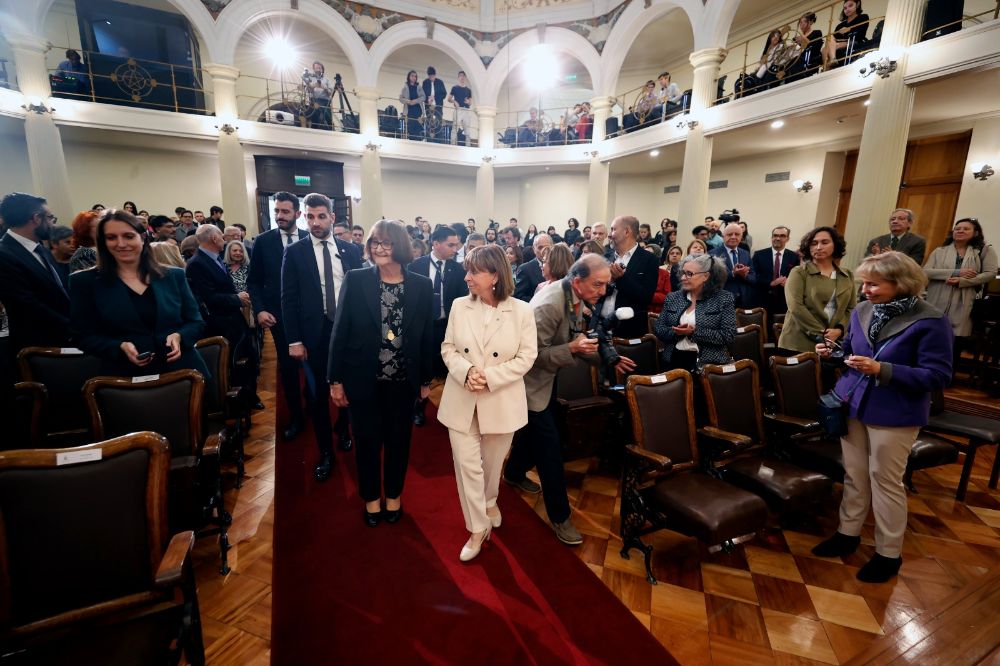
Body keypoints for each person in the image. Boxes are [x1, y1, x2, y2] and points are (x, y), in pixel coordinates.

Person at [813, 252, 953, 583]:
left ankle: (889, 554)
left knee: (885, 481)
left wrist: (882, 369)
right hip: (853, 404)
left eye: (873, 285)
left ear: (901, 283)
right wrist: (834, 354)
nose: (865, 291)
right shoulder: (863, 310)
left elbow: (938, 376)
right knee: (854, 474)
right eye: (864, 283)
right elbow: (852, 351)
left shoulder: (931, 320)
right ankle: (847, 534)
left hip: (895, 411)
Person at [506, 255, 635, 545]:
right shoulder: (549, 304)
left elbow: (580, 338)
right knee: (550, 450)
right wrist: (572, 348)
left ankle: (513, 473)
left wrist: (609, 359)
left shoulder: (574, 294)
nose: (603, 291)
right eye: (598, 284)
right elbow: (529, 357)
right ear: (577, 281)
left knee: (534, 435)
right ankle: (561, 517)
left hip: (546, 381)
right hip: (528, 386)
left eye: (606, 284)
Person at [329, 220, 434, 526]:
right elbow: (339, 331)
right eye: (375, 242)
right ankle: (371, 498)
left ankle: (394, 496)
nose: (379, 248)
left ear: (400, 246)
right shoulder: (356, 279)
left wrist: (425, 379)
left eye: (386, 243)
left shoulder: (421, 285)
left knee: (399, 442)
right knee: (367, 442)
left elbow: (426, 336)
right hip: (363, 378)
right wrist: (335, 379)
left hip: (403, 381)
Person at [438, 245, 538, 561]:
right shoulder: (459, 306)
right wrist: (466, 372)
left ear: (495, 276)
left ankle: (490, 500)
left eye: (474, 271)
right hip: (462, 398)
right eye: (466, 270)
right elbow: (448, 347)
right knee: (467, 466)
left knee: (492, 467)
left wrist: (490, 377)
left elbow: (527, 356)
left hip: (500, 400)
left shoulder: (522, 311)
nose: (466, 277)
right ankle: (477, 528)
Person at [282, 193, 363, 481]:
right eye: (310, 216)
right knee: (317, 396)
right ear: (304, 217)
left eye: (321, 216)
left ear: (332, 217)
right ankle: (326, 451)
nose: (315, 222)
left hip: (348, 333)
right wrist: (294, 340)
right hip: (314, 334)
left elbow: (360, 293)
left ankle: (343, 429)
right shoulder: (295, 252)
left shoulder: (351, 251)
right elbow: (288, 298)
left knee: (349, 388)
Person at [69, 209, 208, 377]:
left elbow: (196, 322)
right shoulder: (84, 281)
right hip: (125, 377)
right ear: (102, 242)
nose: (121, 244)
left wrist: (180, 336)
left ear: (142, 238)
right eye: (111, 238)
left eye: (128, 236)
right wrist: (118, 346)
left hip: (183, 372)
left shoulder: (173, 275)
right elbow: (82, 336)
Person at [247, 191, 310, 440]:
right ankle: (296, 416)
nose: (280, 216)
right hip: (278, 317)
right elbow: (254, 281)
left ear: (297, 213)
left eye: (285, 211)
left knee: (314, 365)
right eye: (277, 211)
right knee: (289, 368)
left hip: (309, 316)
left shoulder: (308, 238)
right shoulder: (263, 242)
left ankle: (314, 406)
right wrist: (260, 309)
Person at [408, 225, 468, 425]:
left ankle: (446, 407)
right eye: (450, 245)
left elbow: (462, 301)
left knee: (445, 368)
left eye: (456, 245)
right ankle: (418, 406)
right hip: (422, 327)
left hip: (446, 326)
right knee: (422, 367)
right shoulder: (415, 266)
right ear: (435, 243)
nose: (455, 249)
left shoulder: (458, 270)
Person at [0, 192, 71, 355]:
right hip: (40, 346)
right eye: (50, 218)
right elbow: (27, 305)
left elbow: (58, 290)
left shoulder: (40, 248)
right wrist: (72, 326)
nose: (53, 224)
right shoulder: (4, 254)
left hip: (64, 335)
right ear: (36, 218)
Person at [778, 227, 856, 355]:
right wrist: (822, 334)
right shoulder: (799, 272)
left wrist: (840, 330)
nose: (818, 247)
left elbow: (851, 308)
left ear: (835, 245)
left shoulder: (847, 275)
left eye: (825, 242)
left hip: (833, 342)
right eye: (814, 243)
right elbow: (796, 307)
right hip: (799, 342)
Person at [654, 254, 736, 372]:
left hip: (709, 365)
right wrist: (676, 332)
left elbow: (728, 335)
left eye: (689, 274)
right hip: (673, 360)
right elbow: (659, 328)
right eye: (683, 273)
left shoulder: (723, 298)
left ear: (705, 276)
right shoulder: (673, 297)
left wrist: (693, 332)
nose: (683, 278)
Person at [923, 218, 998, 340]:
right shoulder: (939, 251)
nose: (960, 231)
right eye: (957, 229)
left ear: (976, 233)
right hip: (937, 299)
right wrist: (957, 272)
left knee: (955, 340)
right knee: (931, 337)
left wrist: (962, 281)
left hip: (965, 301)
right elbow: (926, 272)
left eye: (966, 229)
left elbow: (990, 273)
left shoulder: (985, 250)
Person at [185, 224, 249, 346]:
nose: (224, 239)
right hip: (221, 324)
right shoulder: (197, 263)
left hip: (233, 319)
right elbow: (208, 298)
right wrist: (237, 298)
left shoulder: (215, 257)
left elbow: (224, 286)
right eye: (221, 236)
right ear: (214, 238)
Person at [605, 216, 661, 337]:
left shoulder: (649, 260)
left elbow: (646, 297)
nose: (609, 234)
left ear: (626, 232)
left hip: (629, 330)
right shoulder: (605, 257)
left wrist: (620, 279)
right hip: (601, 327)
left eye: (613, 229)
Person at [752, 225, 800, 315]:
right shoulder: (759, 255)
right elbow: (753, 276)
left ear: (788, 239)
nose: (778, 238)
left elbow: (797, 278)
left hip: (784, 300)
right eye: (775, 235)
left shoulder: (794, 256)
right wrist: (771, 283)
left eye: (782, 236)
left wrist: (789, 282)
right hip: (762, 299)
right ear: (771, 237)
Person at [710, 222, 757, 307]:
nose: (733, 237)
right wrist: (732, 273)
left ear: (741, 237)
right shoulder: (713, 254)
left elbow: (753, 278)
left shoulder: (745, 253)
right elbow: (712, 278)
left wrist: (744, 275)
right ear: (723, 236)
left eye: (737, 234)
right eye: (730, 234)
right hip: (722, 301)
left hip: (744, 301)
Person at [823, 0, 870, 70]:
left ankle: (831, 63)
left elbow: (861, 33)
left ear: (857, 4)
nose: (847, 9)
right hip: (839, 42)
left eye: (850, 5)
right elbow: (834, 38)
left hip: (855, 40)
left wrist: (849, 29)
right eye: (845, 8)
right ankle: (828, 67)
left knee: (829, 49)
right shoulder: (840, 25)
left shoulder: (863, 17)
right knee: (824, 49)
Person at [785, 13, 824, 83]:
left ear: (810, 22)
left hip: (810, 58)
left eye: (804, 22)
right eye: (800, 22)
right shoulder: (796, 38)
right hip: (797, 59)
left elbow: (816, 47)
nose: (801, 24)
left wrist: (804, 39)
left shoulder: (816, 33)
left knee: (796, 62)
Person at [513, 233, 553, 301]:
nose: (543, 251)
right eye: (540, 247)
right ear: (534, 249)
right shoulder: (525, 269)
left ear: (552, 247)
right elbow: (518, 296)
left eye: (547, 247)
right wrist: (539, 301)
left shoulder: (559, 266)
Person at [304, 61, 333, 131]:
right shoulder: (310, 78)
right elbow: (307, 90)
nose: (318, 69)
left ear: (322, 69)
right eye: (317, 67)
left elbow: (330, 93)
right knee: (314, 117)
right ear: (314, 69)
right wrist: (312, 86)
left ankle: (330, 131)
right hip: (314, 100)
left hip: (325, 101)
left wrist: (324, 87)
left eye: (320, 68)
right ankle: (314, 130)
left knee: (328, 117)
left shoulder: (326, 79)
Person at [447, 70, 474, 145]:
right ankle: (453, 145)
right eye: (460, 76)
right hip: (458, 110)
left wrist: (468, 102)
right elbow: (449, 99)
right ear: (458, 77)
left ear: (465, 77)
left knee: (467, 130)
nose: (462, 77)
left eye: (463, 76)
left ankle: (468, 146)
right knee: (455, 128)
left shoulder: (468, 90)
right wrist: (454, 101)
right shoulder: (455, 88)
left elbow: (470, 102)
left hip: (466, 110)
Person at [422, 66, 448, 138]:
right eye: (430, 76)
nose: (431, 78)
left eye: (433, 76)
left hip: (438, 106)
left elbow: (444, 94)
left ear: (435, 75)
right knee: (428, 122)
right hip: (428, 106)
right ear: (428, 76)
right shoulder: (425, 82)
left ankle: (438, 139)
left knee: (438, 122)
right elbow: (423, 95)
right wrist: (427, 99)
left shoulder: (440, 82)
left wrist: (434, 97)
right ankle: (428, 138)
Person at [399, 70, 425, 140]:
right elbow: (401, 98)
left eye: (415, 76)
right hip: (409, 110)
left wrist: (415, 101)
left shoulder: (419, 87)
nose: (414, 78)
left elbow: (423, 97)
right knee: (411, 127)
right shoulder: (405, 87)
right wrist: (408, 101)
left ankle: (418, 140)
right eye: (412, 76)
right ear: (409, 77)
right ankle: (412, 140)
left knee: (418, 127)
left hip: (418, 110)